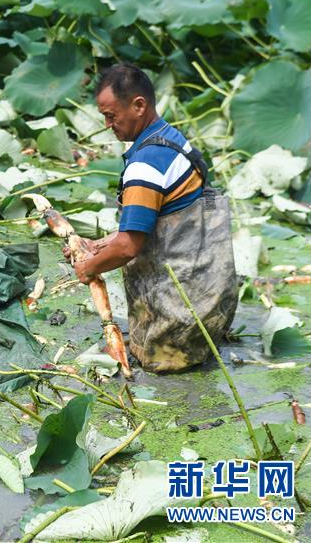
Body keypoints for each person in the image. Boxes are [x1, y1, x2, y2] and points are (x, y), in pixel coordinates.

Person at [70, 63, 238, 372]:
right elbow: (167, 220)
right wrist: (99, 246)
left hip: (174, 334)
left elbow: (128, 247)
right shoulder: (173, 140)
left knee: (150, 371)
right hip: (211, 311)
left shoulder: (145, 166)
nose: (107, 125)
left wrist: (87, 268)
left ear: (138, 106)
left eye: (111, 116)